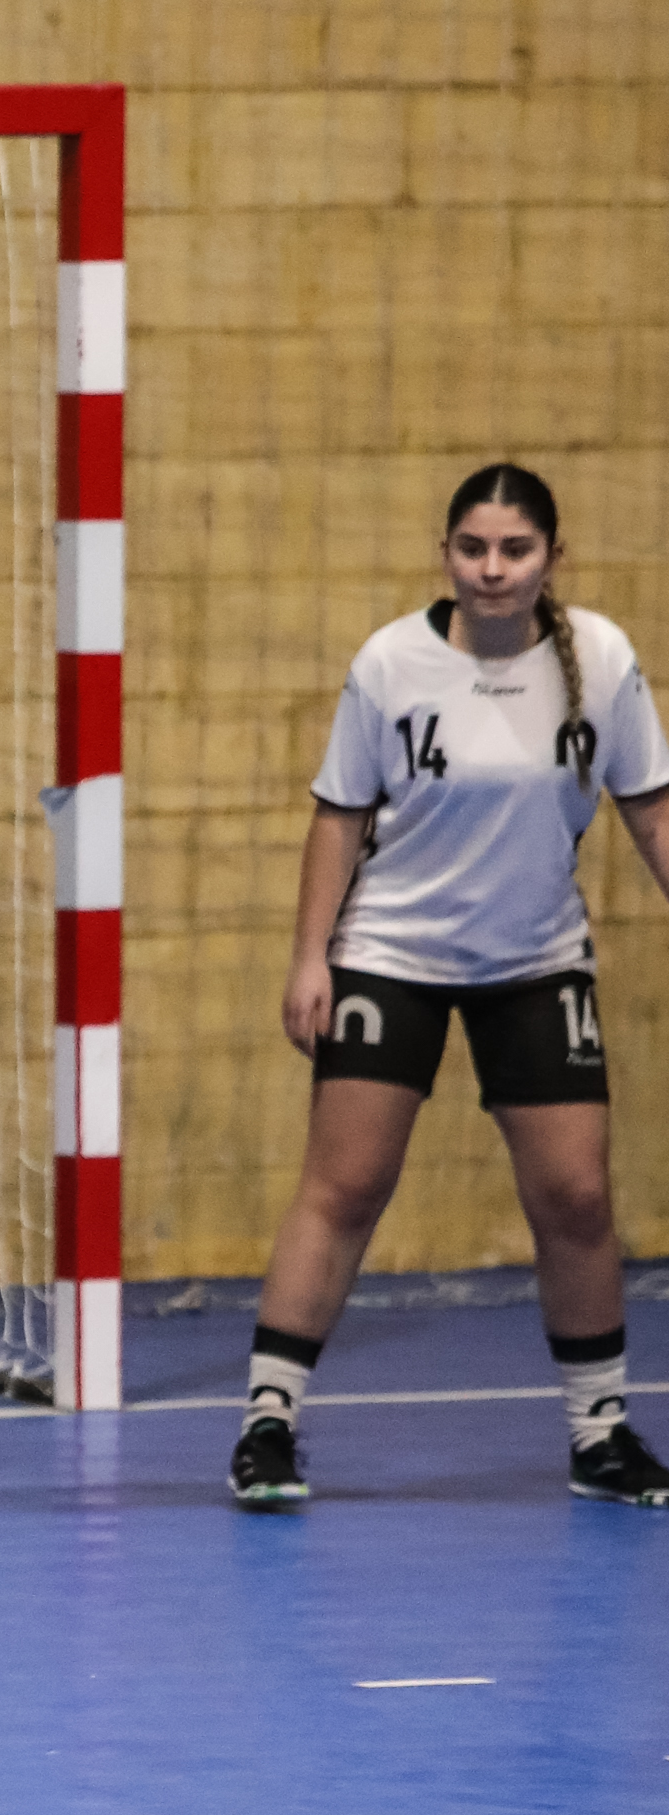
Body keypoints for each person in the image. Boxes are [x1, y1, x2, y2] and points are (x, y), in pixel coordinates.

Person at [231, 464, 669, 1511]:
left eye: (515, 551)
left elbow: (650, 808)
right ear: (446, 554)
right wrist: (312, 958)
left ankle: (599, 1432)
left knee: (575, 1196)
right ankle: (268, 1423)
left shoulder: (601, 662)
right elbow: (338, 815)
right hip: (393, 956)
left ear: (551, 559)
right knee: (345, 1188)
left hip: (535, 960)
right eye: (472, 548)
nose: (492, 569)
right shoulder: (392, 662)